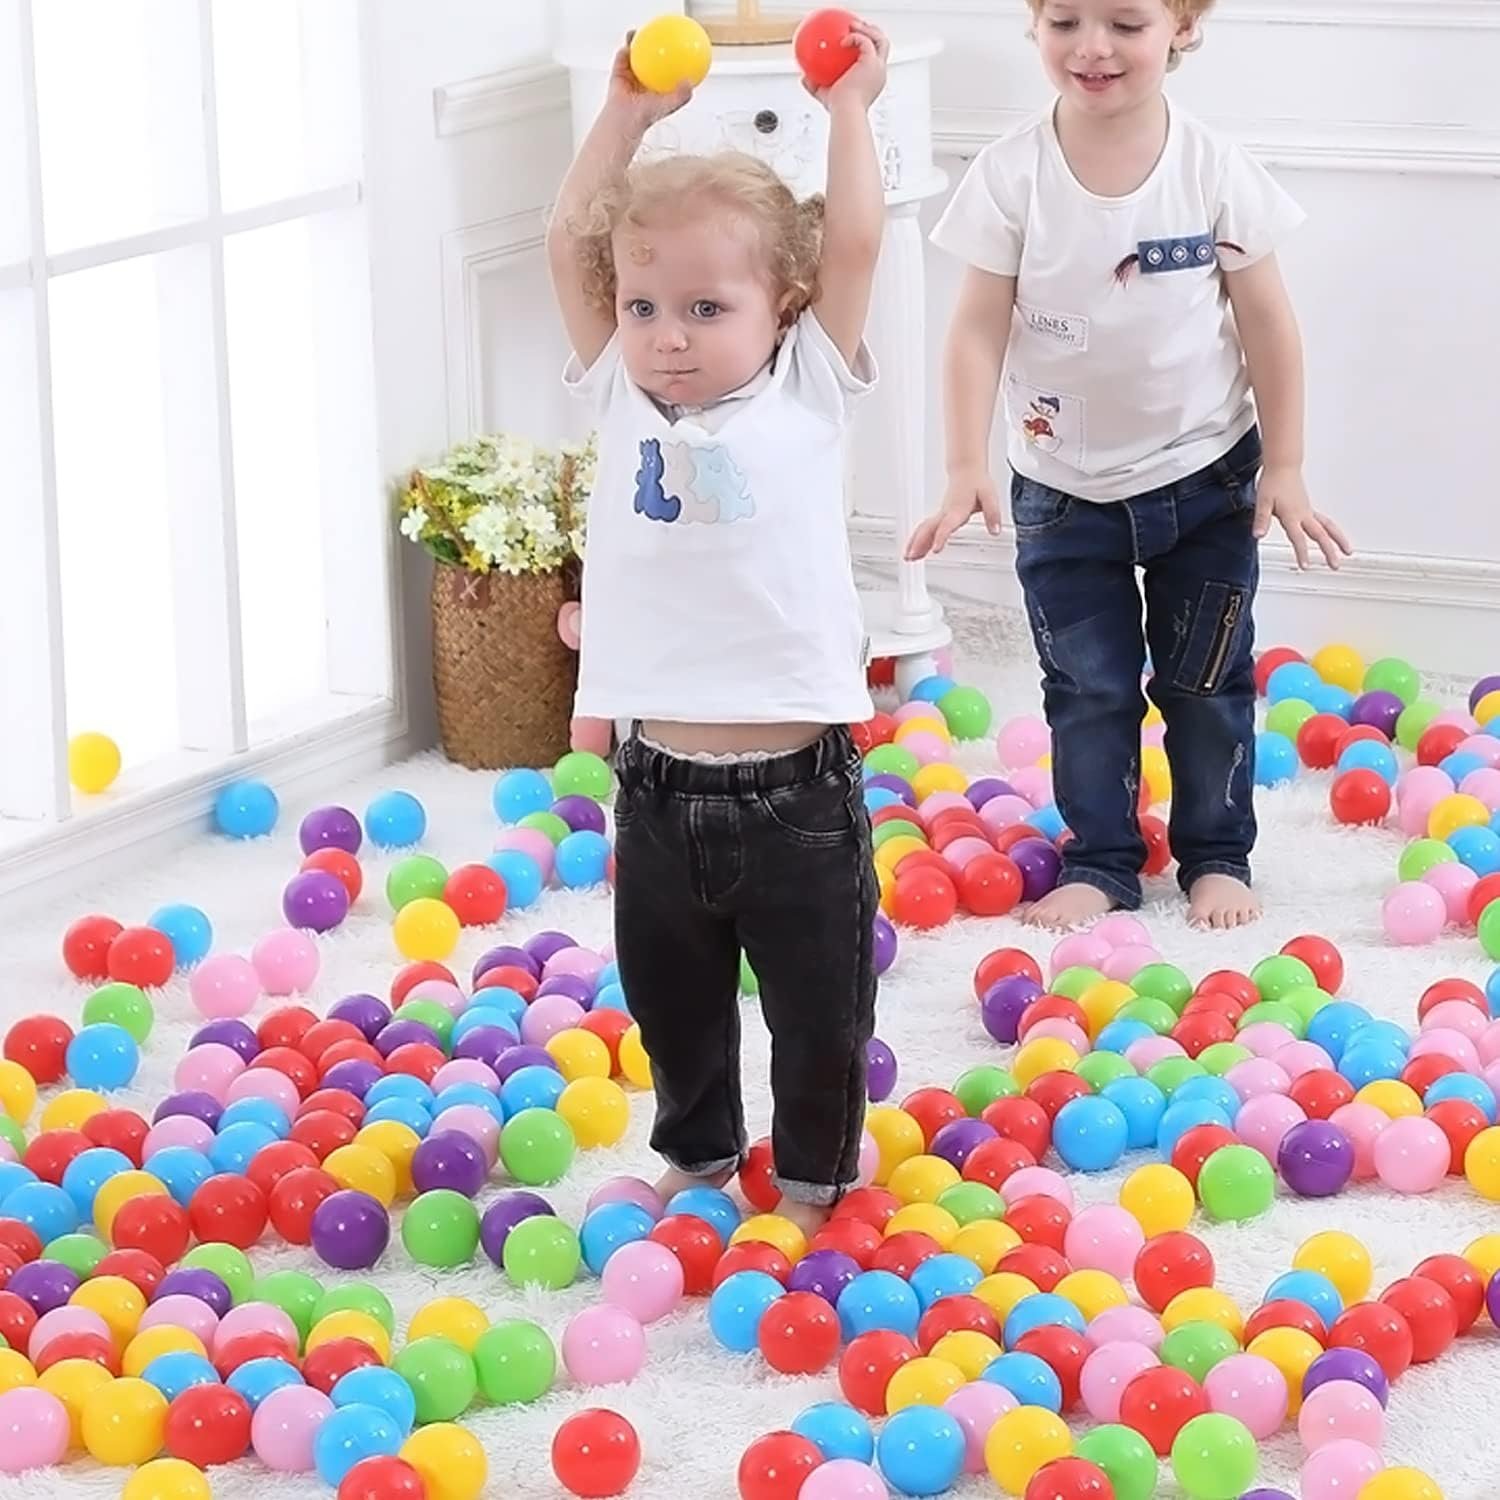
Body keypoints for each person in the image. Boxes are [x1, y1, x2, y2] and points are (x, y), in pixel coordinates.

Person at [545, 21, 890, 1232]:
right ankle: (696, 1156)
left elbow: (856, 240)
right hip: (657, 788)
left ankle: (812, 1179)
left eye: (705, 306)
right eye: (644, 306)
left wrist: (850, 110)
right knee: (672, 1002)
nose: (668, 335)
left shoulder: (808, 384)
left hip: (799, 793)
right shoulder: (620, 388)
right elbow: (568, 241)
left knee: (818, 1008)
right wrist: (627, 112)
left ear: (783, 305)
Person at [907, 0, 1351, 931]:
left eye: (1125, 23)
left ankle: (1216, 855)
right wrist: (962, 462)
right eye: (1065, 20)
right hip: (1062, 492)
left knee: (1206, 683)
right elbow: (976, 328)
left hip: (1207, 479)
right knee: (1088, 689)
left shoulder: (1212, 168)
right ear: (1033, 23)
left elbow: (1268, 323)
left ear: (1182, 25)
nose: (1093, 47)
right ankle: (1102, 859)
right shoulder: (1011, 174)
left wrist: (1287, 464)